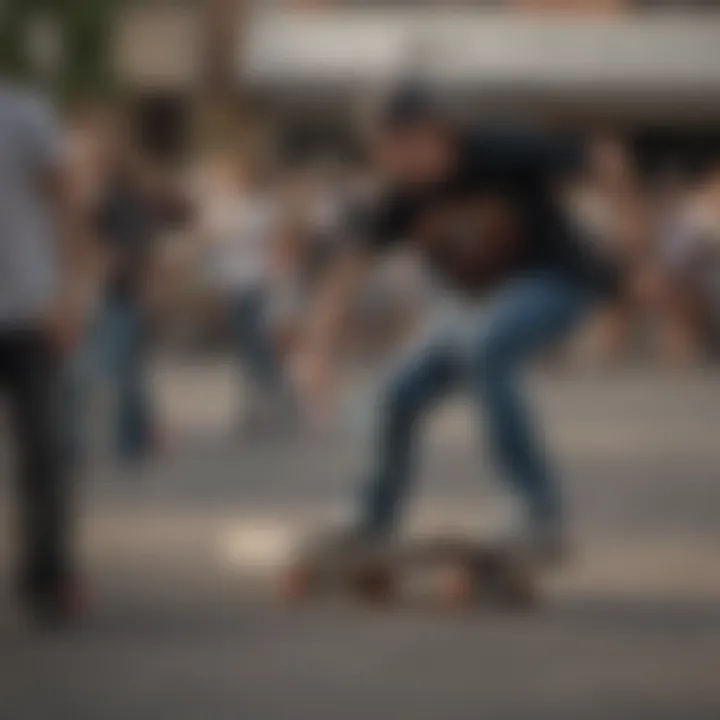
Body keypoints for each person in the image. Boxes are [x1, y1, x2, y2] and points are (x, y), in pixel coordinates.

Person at [298, 88, 627, 561]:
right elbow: (349, 267)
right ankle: (372, 517)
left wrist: (629, 242)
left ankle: (533, 508)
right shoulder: (401, 196)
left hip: (554, 283)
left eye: (395, 148)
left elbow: (605, 156)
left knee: (487, 345)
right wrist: (316, 351)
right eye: (381, 152)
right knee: (394, 397)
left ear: (432, 135)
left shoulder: (500, 149)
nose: (390, 163)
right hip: (471, 307)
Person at [0, 81, 87, 623]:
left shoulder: (24, 115)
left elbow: (66, 203)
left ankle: (46, 578)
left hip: (28, 310)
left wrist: (69, 292)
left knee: (45, 453)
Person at [200, 155, 294, 434]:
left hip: (255, 285)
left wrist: (277, 280)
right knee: (245, 349)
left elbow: (276, 246)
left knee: (257, 347)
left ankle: (273, 400)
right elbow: (213, 250)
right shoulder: (223, 208)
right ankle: (257, 405)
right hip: (233, 286)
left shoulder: (258, 208)